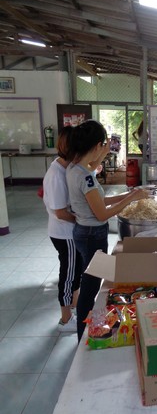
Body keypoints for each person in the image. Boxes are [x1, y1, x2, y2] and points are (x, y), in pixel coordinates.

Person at [66, 120, 148, 342]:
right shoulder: (85, 177)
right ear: (95, 146)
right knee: (91, 287)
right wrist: (131, 197)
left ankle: (85, 329)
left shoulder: (75, 169)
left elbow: (100, 199)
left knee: (89, 281)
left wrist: (128, 194)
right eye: (103, 145)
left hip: (83, 231)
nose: (106, 149)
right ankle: (83, 337)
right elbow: (102, 213)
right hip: (93, 236)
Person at [43, 126, 84, 332]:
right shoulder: (56, 175)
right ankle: (65, 319)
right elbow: (60, 212)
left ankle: (75, 307)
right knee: (68, 275)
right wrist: (83, 220)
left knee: (76, 271)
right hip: (64, 233)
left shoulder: (65, 168)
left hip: (69, 232)